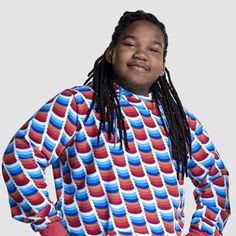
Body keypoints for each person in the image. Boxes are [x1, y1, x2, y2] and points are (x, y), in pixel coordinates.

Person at [2, 10, 230, 236]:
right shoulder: (78, 104)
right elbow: (21, 155)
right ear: (110, 53)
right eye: (130, 44)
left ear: (163, 67)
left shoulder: (181, 122)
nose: (141, 54)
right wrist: (50, 226)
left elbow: (215, 177)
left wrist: (202, 232)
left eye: (153, 49)